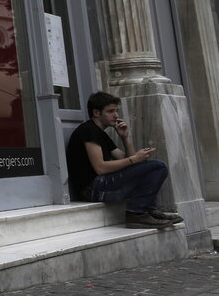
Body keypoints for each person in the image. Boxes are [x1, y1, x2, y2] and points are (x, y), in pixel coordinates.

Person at [65, 91, 182, 229]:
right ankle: (136, 213)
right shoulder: (88, 130)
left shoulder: (101, 134)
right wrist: (134, 159)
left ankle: (148, 210)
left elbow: (129, 162)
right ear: (96, 112)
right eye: (110, 111)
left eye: (117, 111)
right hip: (92, 188)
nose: (116, 115)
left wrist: (125, 138)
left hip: (101, 184)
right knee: (158, 167)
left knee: (149, 168)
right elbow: (100, 168)